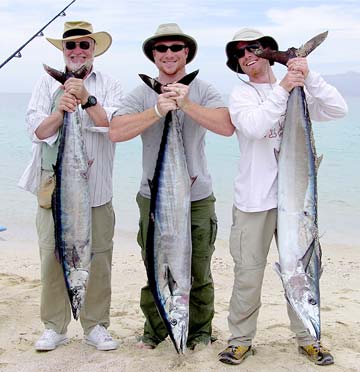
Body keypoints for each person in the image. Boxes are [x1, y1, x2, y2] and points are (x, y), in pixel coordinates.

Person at [218, 28, 348, 366]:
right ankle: (240, 340)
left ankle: (308, 337)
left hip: (298, 203)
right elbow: (255, 128)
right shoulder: (241, 95)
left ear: (269, 52)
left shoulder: (299, 88)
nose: (247, 56)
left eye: (254, 49)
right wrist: (286, 86)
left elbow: (338, 109)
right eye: (240, 53)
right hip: (253, 202)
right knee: (248, 273)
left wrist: (305, 72)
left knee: (302, 270)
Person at [109, 23, 234, 350]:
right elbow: (115, 131)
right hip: (154, 198)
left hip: (196, 197)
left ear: (186, 53)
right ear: (153, 54)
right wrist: (156, 109)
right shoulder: (140, 94)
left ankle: (200, 332)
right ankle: (154, 331)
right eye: (161, 49)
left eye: (175, 48)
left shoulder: (203, 89)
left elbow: (226, 126)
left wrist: (186, 104)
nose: (168, 54)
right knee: (155, 265)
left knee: (199, 269)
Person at [18, 21, 123, 351]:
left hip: (99, 191)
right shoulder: (44, 84)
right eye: (70, 46)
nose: (77, 51)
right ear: (62, 51)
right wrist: (61, 111)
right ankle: (55, 326)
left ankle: (95, 325)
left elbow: (112, 126)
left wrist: (87, 99)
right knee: (52, 258)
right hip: (55, 193)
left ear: (94, 49)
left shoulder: (109, 85)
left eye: (84, 45)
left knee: (100, 258)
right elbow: (36, 130)